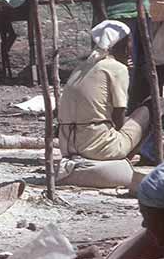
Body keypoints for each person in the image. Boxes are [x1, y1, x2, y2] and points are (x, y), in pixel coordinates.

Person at [56, 20, 150, 160]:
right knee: (154, 104)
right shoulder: (117, 68)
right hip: (98, 149)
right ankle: (124, 160)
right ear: (122, 45)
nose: (132, 47)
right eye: (130, 42)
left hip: (68, 146)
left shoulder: (81, 67)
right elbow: (118, 116)